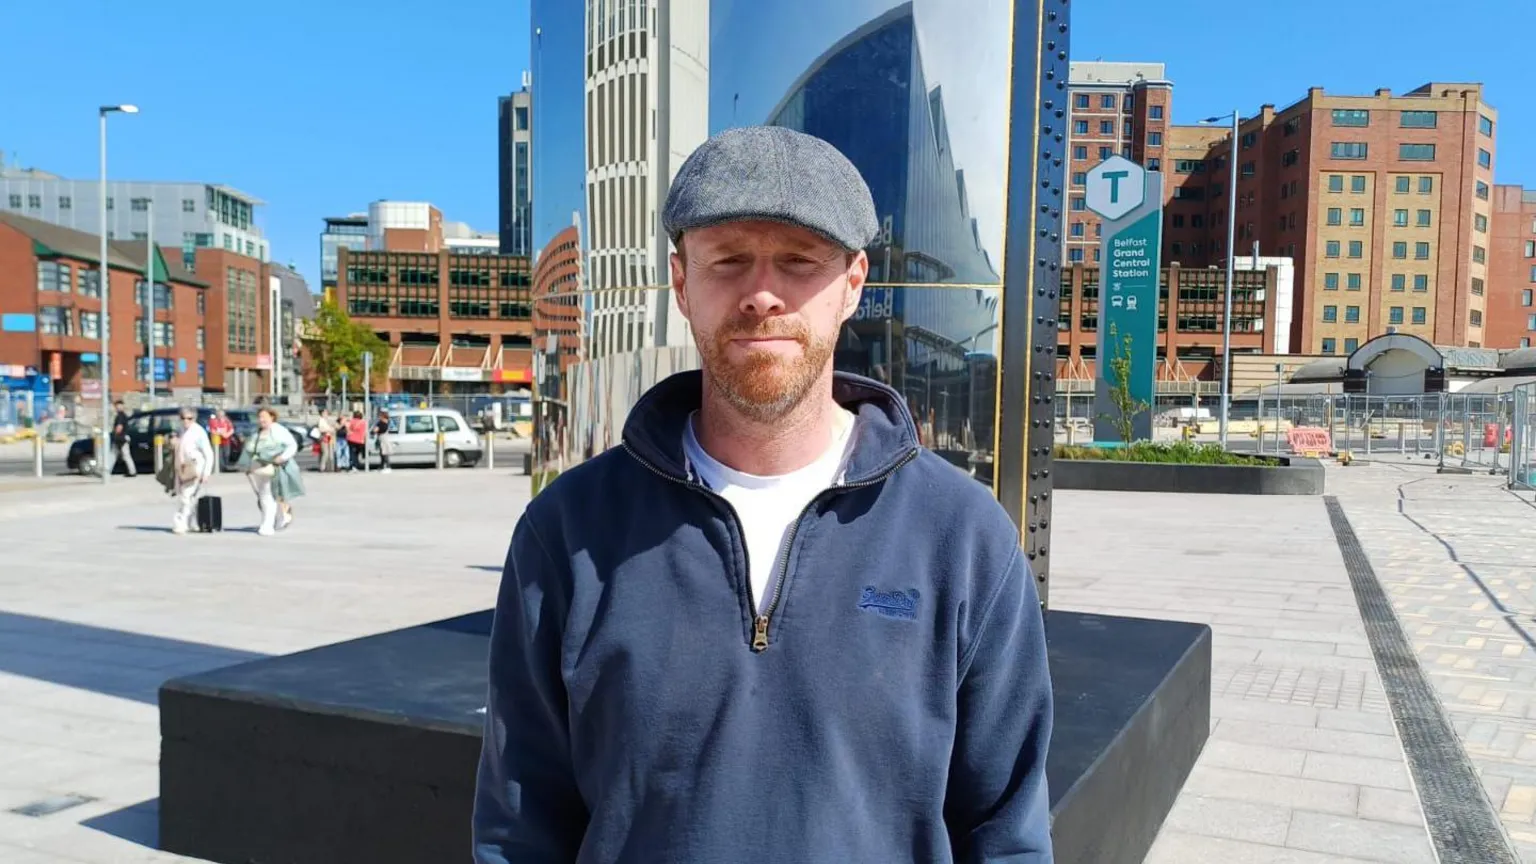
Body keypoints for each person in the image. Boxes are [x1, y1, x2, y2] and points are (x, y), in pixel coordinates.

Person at [472, 126, 1054, 862]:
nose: (762, 295)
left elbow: (1006, 835)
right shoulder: (568, 530)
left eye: (799, 261)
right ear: (681, 283)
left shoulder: (963, 538)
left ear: (853, 284)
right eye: (730, 261)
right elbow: (519, 821)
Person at [237, 406, 305, 536]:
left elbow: (292, 445)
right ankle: (282, 516)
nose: (262, 420)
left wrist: (282, 457)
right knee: (264, 494)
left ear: (272, 417)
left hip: (274, 467)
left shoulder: (278, 430)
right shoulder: (257, 433)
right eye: (260, 417)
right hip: (260, 468)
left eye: (264, 417)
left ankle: (267, 524)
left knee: (269, 495)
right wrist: (248, 465)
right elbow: (250, 450)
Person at [170, 407, 215, 534]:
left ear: (194, 419)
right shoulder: (180, 430)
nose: (186, 421)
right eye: (183, 418)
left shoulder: (199, 432)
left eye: (189, 418)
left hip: (195, 467)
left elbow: (208, 453)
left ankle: (181, 522)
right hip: (182, 466)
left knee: (186, 495)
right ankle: (193, 522)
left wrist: (206, 472)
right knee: (190, 497)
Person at [109, 400, 135, 477]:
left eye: (118, 406)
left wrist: (114, 434)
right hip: (123, 438)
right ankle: (132, 471)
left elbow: (119, 428)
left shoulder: (120, 416)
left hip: (120, 438)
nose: (117, 408)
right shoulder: (124, 415)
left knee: (117, 455)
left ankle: (132, 471)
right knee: (121, 455)